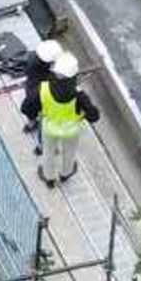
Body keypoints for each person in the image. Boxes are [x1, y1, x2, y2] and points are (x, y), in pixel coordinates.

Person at [24, 46, 99, 188]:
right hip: (71, 131)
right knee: (69, 153)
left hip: (50, 128)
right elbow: (94, 116)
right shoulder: (79, 94)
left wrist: (34, 117)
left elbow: (28, 106)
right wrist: (83, 116)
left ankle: (49, 178)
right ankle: (65, 174)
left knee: (48, 152)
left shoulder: (43, 88)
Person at [23, 36, 59, 149]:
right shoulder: (44, 68)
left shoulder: (32, 57)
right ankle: (42, 145)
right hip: (42, 94)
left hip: (32, 91)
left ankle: (31, 123)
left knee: (30, 108)